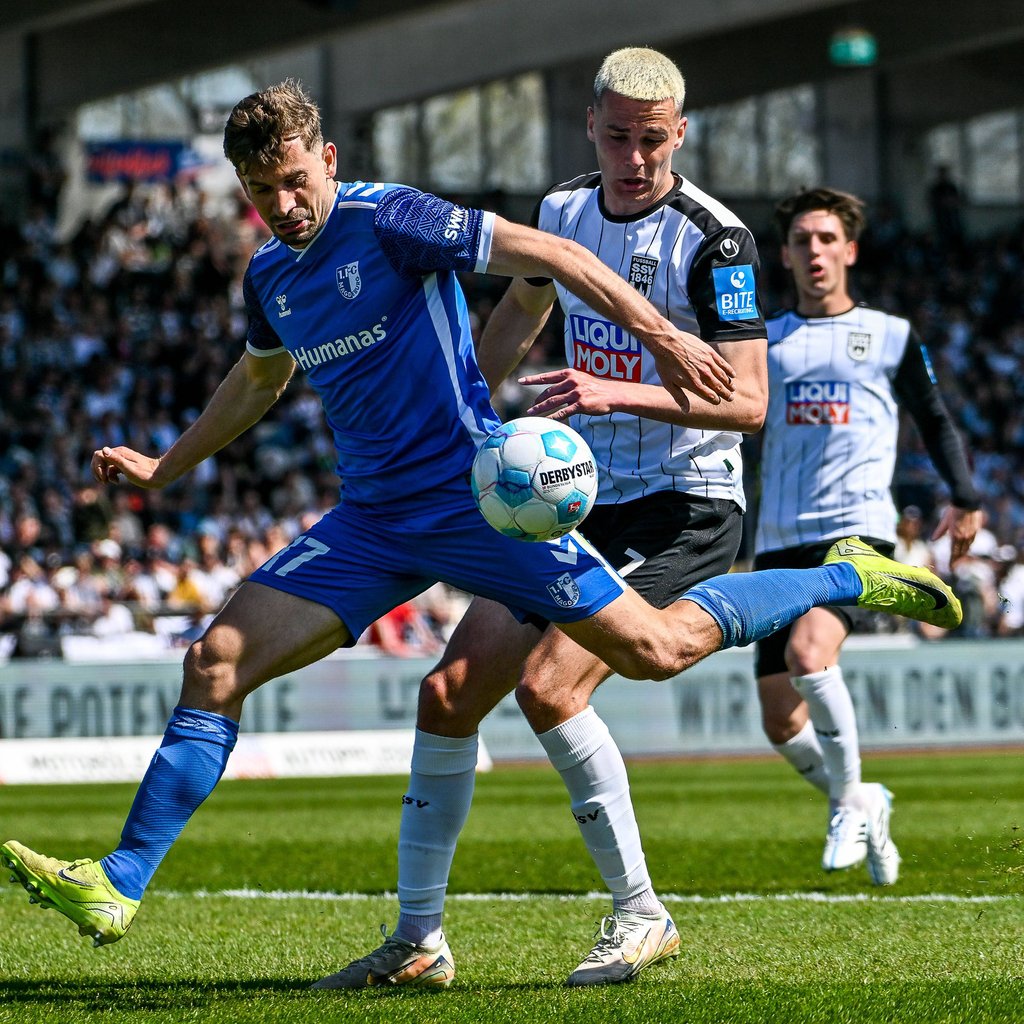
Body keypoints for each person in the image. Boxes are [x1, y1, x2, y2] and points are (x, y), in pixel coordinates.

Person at [1, 83, 960, 982]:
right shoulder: (269, 274)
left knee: (656, 649)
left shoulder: (394, 219)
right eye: (261, 192)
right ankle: (125, 882)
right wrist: (165, 467)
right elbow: (260, 378)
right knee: (216, 662)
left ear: (327, 159)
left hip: (480, 503)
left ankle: (843, 576)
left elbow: (561, 259)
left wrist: (665, 339)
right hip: (373, 520)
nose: (283, 205)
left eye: (294, 180)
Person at [328, 46, 768, 990]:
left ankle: (642, 914)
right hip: (577, 499)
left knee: (549, 688)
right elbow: (521, 309)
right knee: (449, 693)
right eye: (619, 137)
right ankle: (418, 941)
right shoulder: (563, 211)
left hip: (684, 501)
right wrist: (468, 417)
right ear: (590, 127)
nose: (635, 158)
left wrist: (614, 393)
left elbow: (748, 403)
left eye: (654, 141)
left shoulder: (717, 242)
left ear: (681, 135)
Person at [752, 187, 981, 886]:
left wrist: (965, 496)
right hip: (779, 535)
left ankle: (851, 803)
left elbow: (933, 417)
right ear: (786, 255)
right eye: (802, 240)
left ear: (849, 250)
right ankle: (862, 798)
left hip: (857, 531)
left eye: (827, 238)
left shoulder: (888, 334)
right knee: (779, 720)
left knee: (809, 653)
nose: (814, 251)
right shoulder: (763, 339)